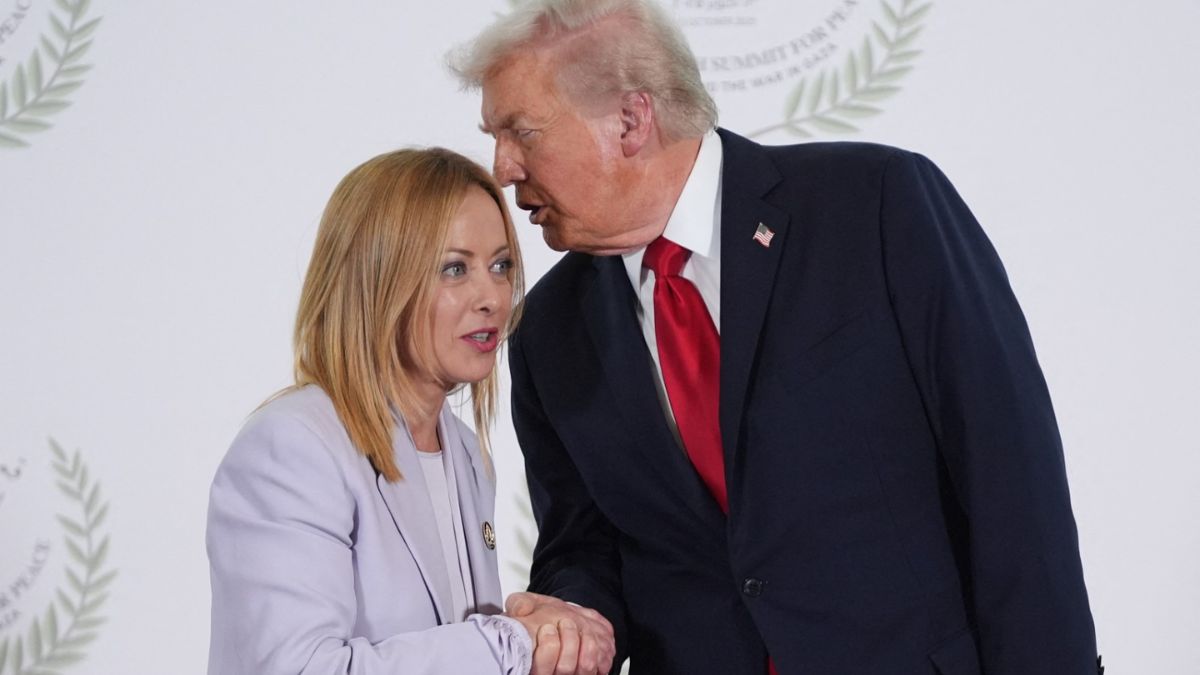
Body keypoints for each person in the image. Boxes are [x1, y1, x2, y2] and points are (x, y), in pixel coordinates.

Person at [450, 1, 1102, 674]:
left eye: (521, 132)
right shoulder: (547, 330)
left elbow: (1009, 474)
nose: (502, 167)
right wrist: (569, 613)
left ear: (630, 120)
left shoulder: (876, 204)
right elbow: (582, 547)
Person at [205, 147, 615, 674]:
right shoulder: (293, 446)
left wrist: (551, 633)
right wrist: (510, 643)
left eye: (500, 265)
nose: (492, 295)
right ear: (377, 280)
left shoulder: (464, 450)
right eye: (454, 268)